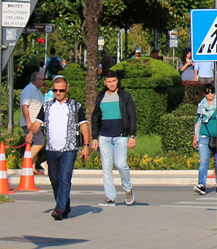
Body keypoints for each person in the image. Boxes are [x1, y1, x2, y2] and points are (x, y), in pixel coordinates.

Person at [26, 75, 90, 221]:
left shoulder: (75, 106)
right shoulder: (47, 106)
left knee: (64, 178)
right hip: (51, 149)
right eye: (55, 90)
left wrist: (86, 146)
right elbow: (37, 123)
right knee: (54, 179)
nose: (58, 93)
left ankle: (59, 208)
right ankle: (64, 205)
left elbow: (84, 126)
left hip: (69, 148)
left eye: (61, 90)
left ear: (67, 89)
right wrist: (31, 133)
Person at [89, 72, 137, 207]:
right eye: (109, 81)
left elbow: (132, 116)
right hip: (104, 136)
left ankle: (128, 189)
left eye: (114, 81)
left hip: (121, 136)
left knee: (121, 164)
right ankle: (110, 196)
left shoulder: (125, 96)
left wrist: (132, 136)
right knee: (106, 167)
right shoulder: (101, 97)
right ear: (105, 82)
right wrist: (94, 137)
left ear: (117, 81)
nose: (112, 84)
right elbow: (95, 117)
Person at [20, 70, 48, 176]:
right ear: (36, 80)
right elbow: (25, 106)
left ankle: (32, 168)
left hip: (37, 123)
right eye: (42, 79)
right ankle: (26, 164)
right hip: (31, 123)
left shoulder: (37, 91)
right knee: (39, 142)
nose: (44, 81)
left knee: (34, 143)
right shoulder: (28, 90)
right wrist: (28, 122)